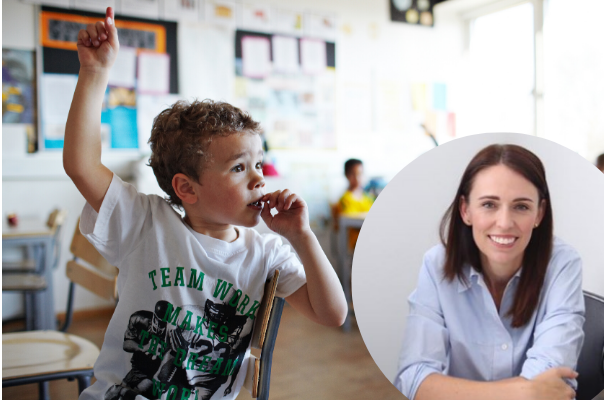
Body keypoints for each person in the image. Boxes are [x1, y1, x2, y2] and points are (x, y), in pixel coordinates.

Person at [63, 8, 347, 400]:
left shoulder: (267, 253)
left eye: (258, 164)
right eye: (238, 167)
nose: (259, 178)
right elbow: (80, 165)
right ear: (187, 188)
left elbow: (333, 315)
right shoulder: (146, 224)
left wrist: (302, 236)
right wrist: (95, 72)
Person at [394, 144, 585, 400]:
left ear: (539, 213)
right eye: (488, 204)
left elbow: (550, 381)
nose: (504, 223)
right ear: (466, 210)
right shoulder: (436, 265)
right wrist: (522, 392)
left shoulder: (563, 263)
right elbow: (413, 378)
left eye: (521, 207)